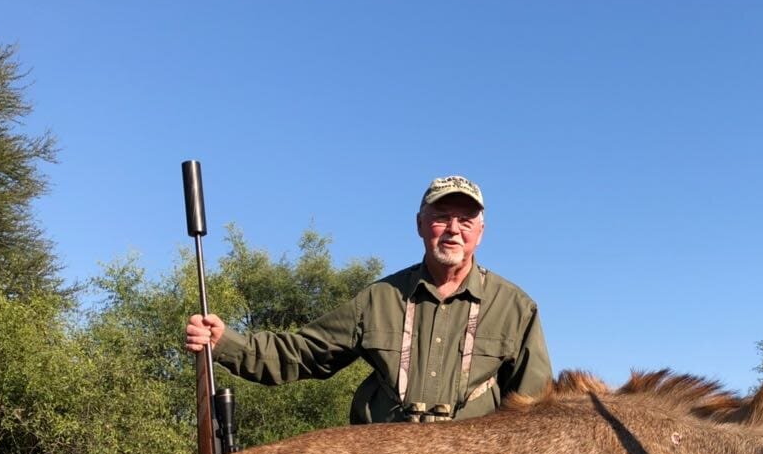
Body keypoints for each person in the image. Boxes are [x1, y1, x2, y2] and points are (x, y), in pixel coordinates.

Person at [184, 175, 551, 424]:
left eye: (465, 220)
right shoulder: (379, 300)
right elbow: (300, 353)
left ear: (480, 232)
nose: (453, 229)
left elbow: (538, 413)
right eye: (441, 218)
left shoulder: (516, 308)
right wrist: (225, 343)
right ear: (420, 225)